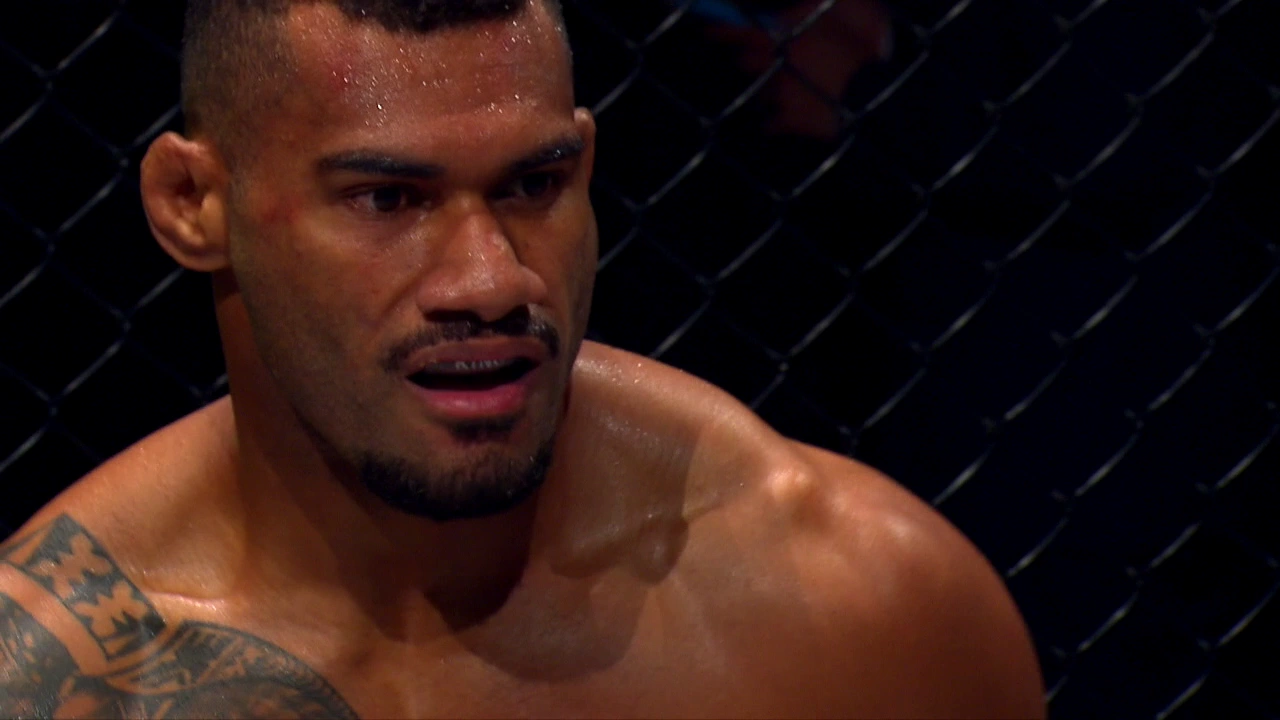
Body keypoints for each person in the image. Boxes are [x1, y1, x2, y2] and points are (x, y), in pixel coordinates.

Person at [0, 0, 1045, 716]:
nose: (490, 279)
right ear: (192, 203)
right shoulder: (57, 673)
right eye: (387, 199)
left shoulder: (856, 607)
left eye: (533, 185)